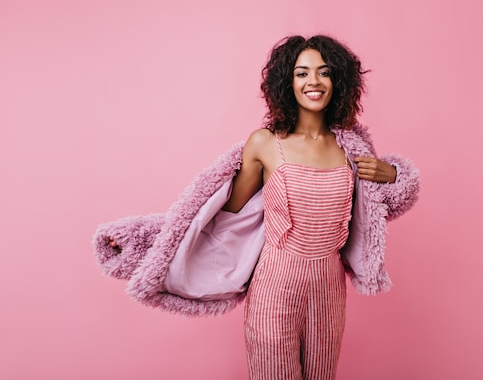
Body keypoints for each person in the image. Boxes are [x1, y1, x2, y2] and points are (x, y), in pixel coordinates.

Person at [97, 35, 419, 380]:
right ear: (286, 82)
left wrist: (393, 174)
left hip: (329, 288)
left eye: (323, 72)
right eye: (301, 73)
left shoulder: (352, 148)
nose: (313, 81)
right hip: (275, 284)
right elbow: (218, 215)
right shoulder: (264, 144)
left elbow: (375, 214)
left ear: (337, 80)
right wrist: (144, 240)